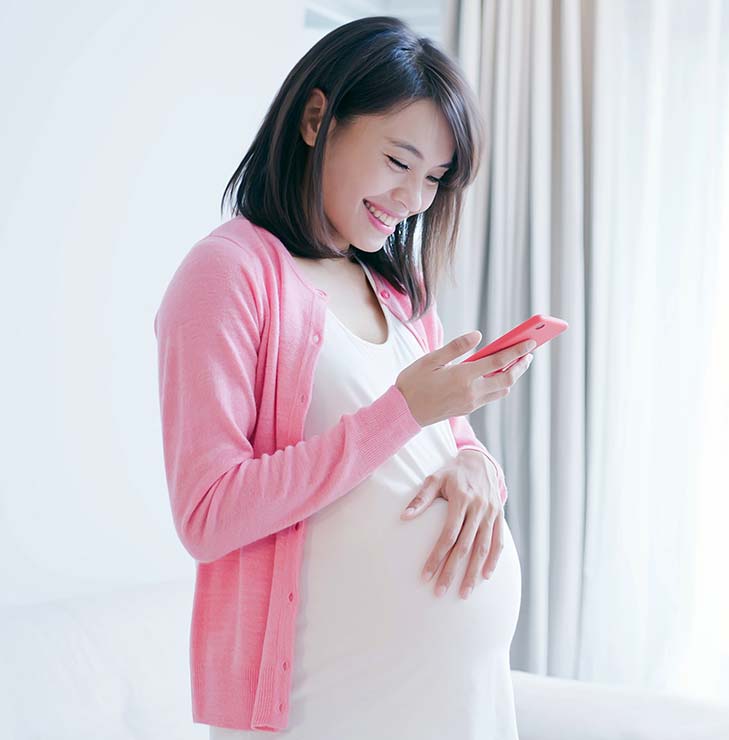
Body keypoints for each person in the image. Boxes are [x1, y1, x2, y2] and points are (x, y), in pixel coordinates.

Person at [152, 16, 532, 738]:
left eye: (434, 178)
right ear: (317, 117)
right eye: (398, 161)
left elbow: (448, 438)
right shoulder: (228, 274)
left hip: (456, 705)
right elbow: (207, 514)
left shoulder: (398, 289)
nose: (416, 199)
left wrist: (481, 468)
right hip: (324, 708)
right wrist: (402, 412)